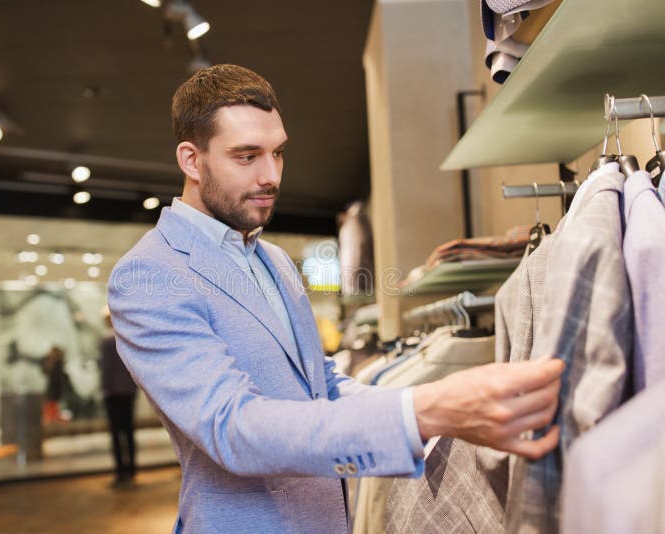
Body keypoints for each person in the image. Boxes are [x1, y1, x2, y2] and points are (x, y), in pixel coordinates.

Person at [108, 64, 564, 534]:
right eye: (246, 156)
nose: (271, 176)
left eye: (278, 153)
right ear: (191, 160)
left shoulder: (275, 259)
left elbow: (320, 385)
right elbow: (232, 427)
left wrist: (431, 409)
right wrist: (426, 410)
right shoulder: (148, 275)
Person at [100, 306, 138, 488]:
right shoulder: (127, 339)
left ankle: (121, 472)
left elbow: (106, 370)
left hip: (114, 393)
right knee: (129, 432)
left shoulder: (108, 341)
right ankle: (131, 470)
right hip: (128, 391)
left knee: (117, 434)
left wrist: (105, 388)